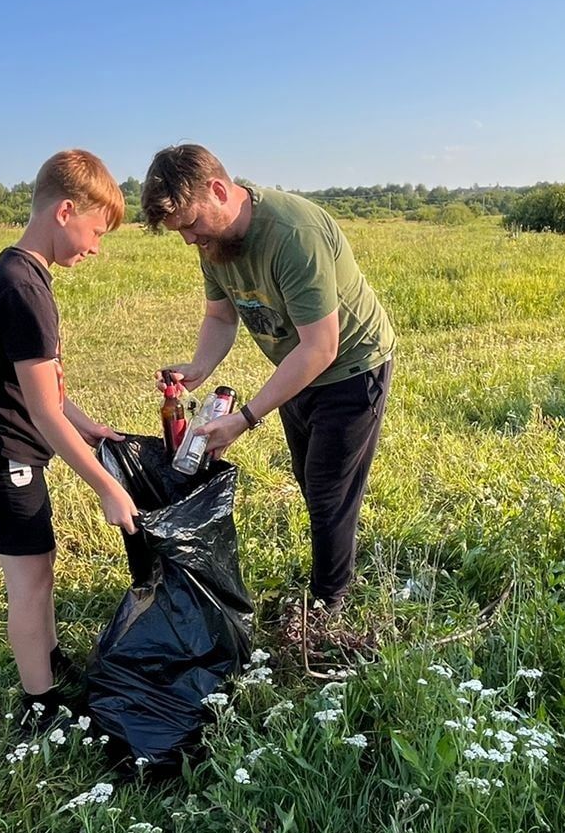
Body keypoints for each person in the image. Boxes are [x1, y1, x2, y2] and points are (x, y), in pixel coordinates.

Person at [142, 144, 395, 651]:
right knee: (309, 480)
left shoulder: (290, 235)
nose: (190, 239)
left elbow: (321, 346)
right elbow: (220, 317)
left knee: (328, 492)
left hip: (349, 366)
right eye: (181, 234)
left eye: (191, 224)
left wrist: (247, 417)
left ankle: (328, 607)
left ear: (218, 190)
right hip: (297, 368)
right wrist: (199, 367)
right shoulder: (214, 247)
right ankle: (332, 571)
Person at [0, 149, 139, 739]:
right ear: (65, 211)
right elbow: (40, 410)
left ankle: (50, 658)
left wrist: (87, 425)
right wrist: (108, 487)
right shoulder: (24, 288)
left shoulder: (14, 271)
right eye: (96, 230)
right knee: (29, 580)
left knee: (40, 565)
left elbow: (47, 391)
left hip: (4, 449)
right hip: (1, 455)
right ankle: (41, 703)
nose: (96, 246)